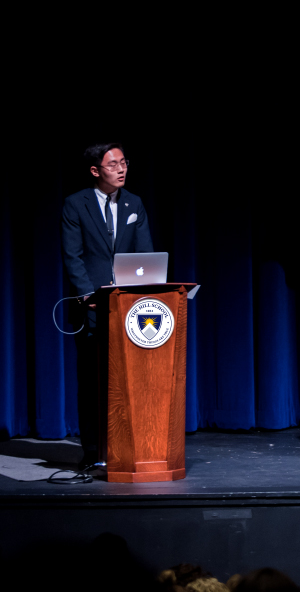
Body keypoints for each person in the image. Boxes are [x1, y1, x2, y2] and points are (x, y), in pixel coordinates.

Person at [60, 143, 154, 462]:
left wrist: (144, 291)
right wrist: (88, 295)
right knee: (92, 381)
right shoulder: (76, 204)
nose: (121, 169)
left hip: (129, 307)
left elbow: (145, 255)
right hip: (94, 306)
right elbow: (73, 256)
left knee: (130, 379)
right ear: (95, 170)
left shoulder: (134, 204)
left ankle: (129, 445)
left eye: (124, 162)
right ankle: (93, 450)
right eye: (113, 164)